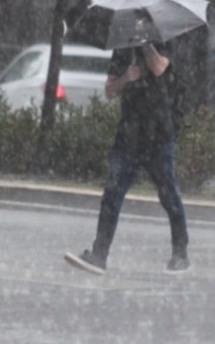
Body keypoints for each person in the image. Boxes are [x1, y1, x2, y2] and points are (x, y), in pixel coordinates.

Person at [65, 39, 189, 275]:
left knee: (168, 193)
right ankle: (99, 255)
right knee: (112, 194)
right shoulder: (122, 49)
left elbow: (159, 67)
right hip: (129, 135)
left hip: (159, 133)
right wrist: (126, 78)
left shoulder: (164, 39)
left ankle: (181, 253)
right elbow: (110, 91)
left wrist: (145, 44)